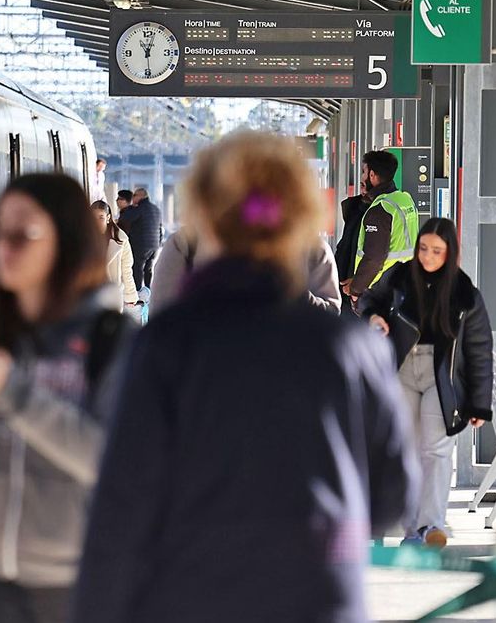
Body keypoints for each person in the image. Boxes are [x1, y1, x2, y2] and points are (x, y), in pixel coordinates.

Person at [75, 131, 415, 623]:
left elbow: (122, 499)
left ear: (209, 216)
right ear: (298, 214)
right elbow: (390, 500)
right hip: (317, 596)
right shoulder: (351, 350)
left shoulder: (165, 348)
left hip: (191, 592)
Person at [0, 174, 133, 623]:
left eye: (23, 235)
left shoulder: (113, 342)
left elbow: (114, 463)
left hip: (88, 585)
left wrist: (9, 393)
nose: (6, 249)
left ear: (67, 238)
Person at [357, 217, 493, 549]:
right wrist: (374, 316)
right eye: (423, 249)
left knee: (436, 448)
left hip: (441, 376)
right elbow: (368, 299)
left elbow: (479, 349)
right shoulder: (401, 275)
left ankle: (430, 526)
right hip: (402, 367)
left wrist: (479, 403)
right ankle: (409, 528)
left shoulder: (464, 293)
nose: (428, 257)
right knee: (406, 449)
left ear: (450, 253)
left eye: (437, 251)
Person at [151, 225, 342, 314]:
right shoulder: (186, 243)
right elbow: (162, 323)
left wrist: (293, 292)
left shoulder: (311, 247)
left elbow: (331, 314)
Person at [345, 149, 419, 307]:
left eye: (364, 172)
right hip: (404, 280)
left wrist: (356, 290)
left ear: (372, 175)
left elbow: (374, 258)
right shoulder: (404, 199)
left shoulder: (380, 209)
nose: (362, 177)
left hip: (381, 288)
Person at [92, 199, 137, 312]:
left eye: (101, 217)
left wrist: (130, 296)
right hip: (89, 297)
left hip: (111, 296)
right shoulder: (83, 239)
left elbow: (126, 269)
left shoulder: (121, 240)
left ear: (108, 218)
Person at [119, 187, 164, 295]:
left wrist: (128, 208)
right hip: (154, 245)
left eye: (135, 195)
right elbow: (160, 228)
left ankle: (138, 293)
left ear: (141, 196)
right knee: (148, 270)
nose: (133, 198)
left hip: (141, 244)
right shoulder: (156, 209)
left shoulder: (140, 208)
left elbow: (125, 219)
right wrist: (158, 243)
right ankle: (148, 292)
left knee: (137, 268)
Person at [335, 186, 371, 319]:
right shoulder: (356, 208)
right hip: (345, 289)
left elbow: (374, 257)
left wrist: (356, 286)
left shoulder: (375, 213)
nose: (361, 190)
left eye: (362, 184)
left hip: (354, 294)